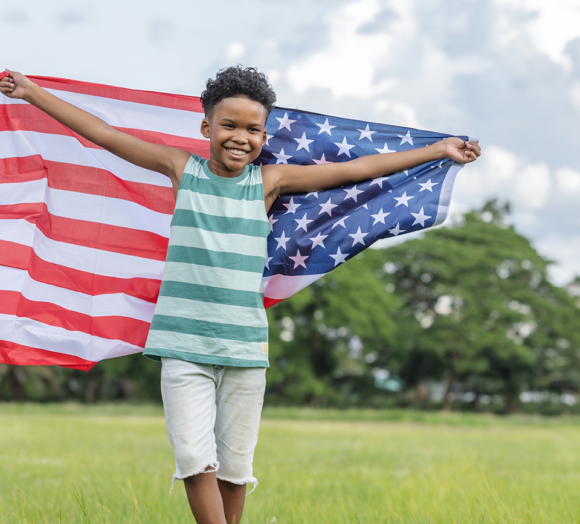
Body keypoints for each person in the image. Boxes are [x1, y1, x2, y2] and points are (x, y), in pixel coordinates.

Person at [0, 66, 480, 524]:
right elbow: (102, 133)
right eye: (228, 125)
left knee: (235, 466)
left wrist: (437, 149)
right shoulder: (180, 168)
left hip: (245, 349)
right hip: (182, 346)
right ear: (206, 125)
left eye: (253, 130)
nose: (240, 137)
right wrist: (31, 92)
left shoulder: (269, 182)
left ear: (264, 137)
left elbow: (357, 170)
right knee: (193, 458)